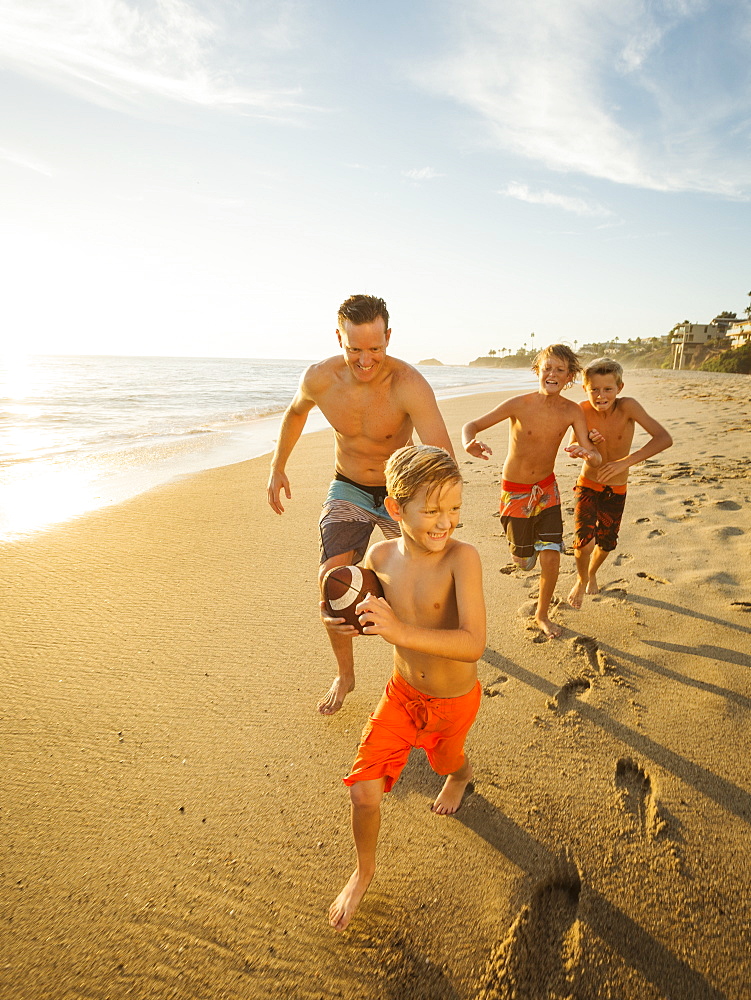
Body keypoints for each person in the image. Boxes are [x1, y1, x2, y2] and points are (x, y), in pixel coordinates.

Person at [267, 294, 454, 715]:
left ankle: (427, 657)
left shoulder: (409, 385)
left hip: (397, 490)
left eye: (375, 348)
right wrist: (278, 465)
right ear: (339, 337)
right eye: (354, 349)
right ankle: (346, 675)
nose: (365, 360)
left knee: (426, 588)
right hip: (348, 485)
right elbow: (296, 413)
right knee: (330, 580)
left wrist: (436, 514)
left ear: (388, 337)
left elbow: (441, 455)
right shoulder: (320, 378)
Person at [326, 445, 485, 932]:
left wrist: (398, 631)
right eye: (432, 509)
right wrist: (347, 620)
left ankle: (459, 776)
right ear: (396, 509)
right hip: (399, 694)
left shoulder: (463, 558)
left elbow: (473, 643)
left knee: (447, 760)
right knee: (363, 794)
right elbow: (367, 611)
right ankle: (364, 870)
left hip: (453, 702)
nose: (446, 522)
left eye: (455, 508)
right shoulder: (378, 556)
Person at [461, 344, 600, 639]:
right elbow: (471, 425)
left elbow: (592, 453)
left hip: (547, 489)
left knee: (552, 555)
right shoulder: (518, 404)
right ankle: (525, 553)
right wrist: (469, 442)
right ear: (538, 371)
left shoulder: (572, 410)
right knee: (524, 562)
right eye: (547, 368)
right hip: (515, 492)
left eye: (560, 370)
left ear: (569, 377)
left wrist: (587, 451)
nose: (552, 373)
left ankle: (542, 615)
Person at [566, 358, 672, 608]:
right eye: (594, 389)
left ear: (620, 388)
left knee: (606, 543)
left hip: (617, 488)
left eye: (607, 389)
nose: (600, 395)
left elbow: (664, 438)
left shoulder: (629, 408)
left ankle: (592, 572)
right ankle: (581, 579)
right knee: (584, 543)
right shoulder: (581, 410)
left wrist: (625, 462)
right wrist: (589, 446)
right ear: (585, 388)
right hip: (588, 484)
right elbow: (578, 449)